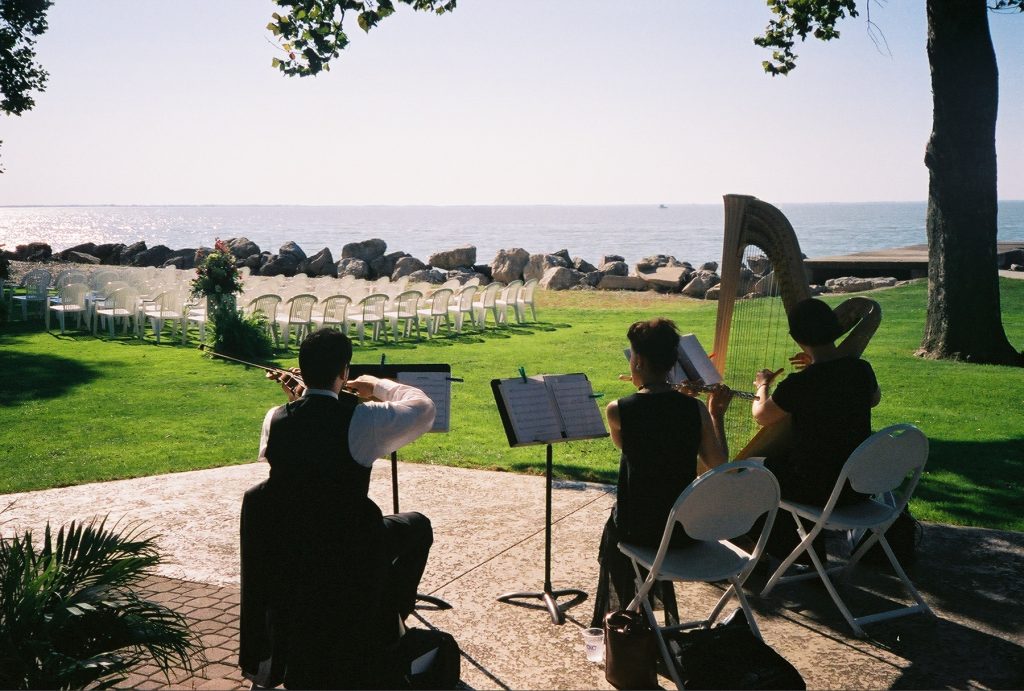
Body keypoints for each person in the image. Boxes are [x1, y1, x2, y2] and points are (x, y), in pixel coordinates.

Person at [240, 327, 436, 688]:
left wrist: (301, 399)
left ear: (302, 368)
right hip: (351, 550)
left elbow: (306, 449)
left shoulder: (274, 418)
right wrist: (375, 385)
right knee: (418, 526)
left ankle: (384, 614)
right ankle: (392, 617)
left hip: (294, 547)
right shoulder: (364, 419)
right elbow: (424, 407)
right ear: (344, 371)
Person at [590, 317, 731, 628]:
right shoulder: (693, 410)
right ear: (672, 362)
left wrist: (647, 396)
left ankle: (622, 619)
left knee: (612, 529)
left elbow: (627, 448)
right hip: (683, 531)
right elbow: (720, 465)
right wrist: (714, 413)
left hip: (639, 530)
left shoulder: (617, 409)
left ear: (637, 360)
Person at [751, 297, 881, 558]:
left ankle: (781, 551)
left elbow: (762, 415)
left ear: (797, 337)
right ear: (834, 329)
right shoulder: (860, 369)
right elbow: (873, 399)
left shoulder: (801, 384)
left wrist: (762, 384)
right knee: (786, 464)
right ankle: (809, 553)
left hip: (816, 489)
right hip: (860, 486)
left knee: (750, 469)